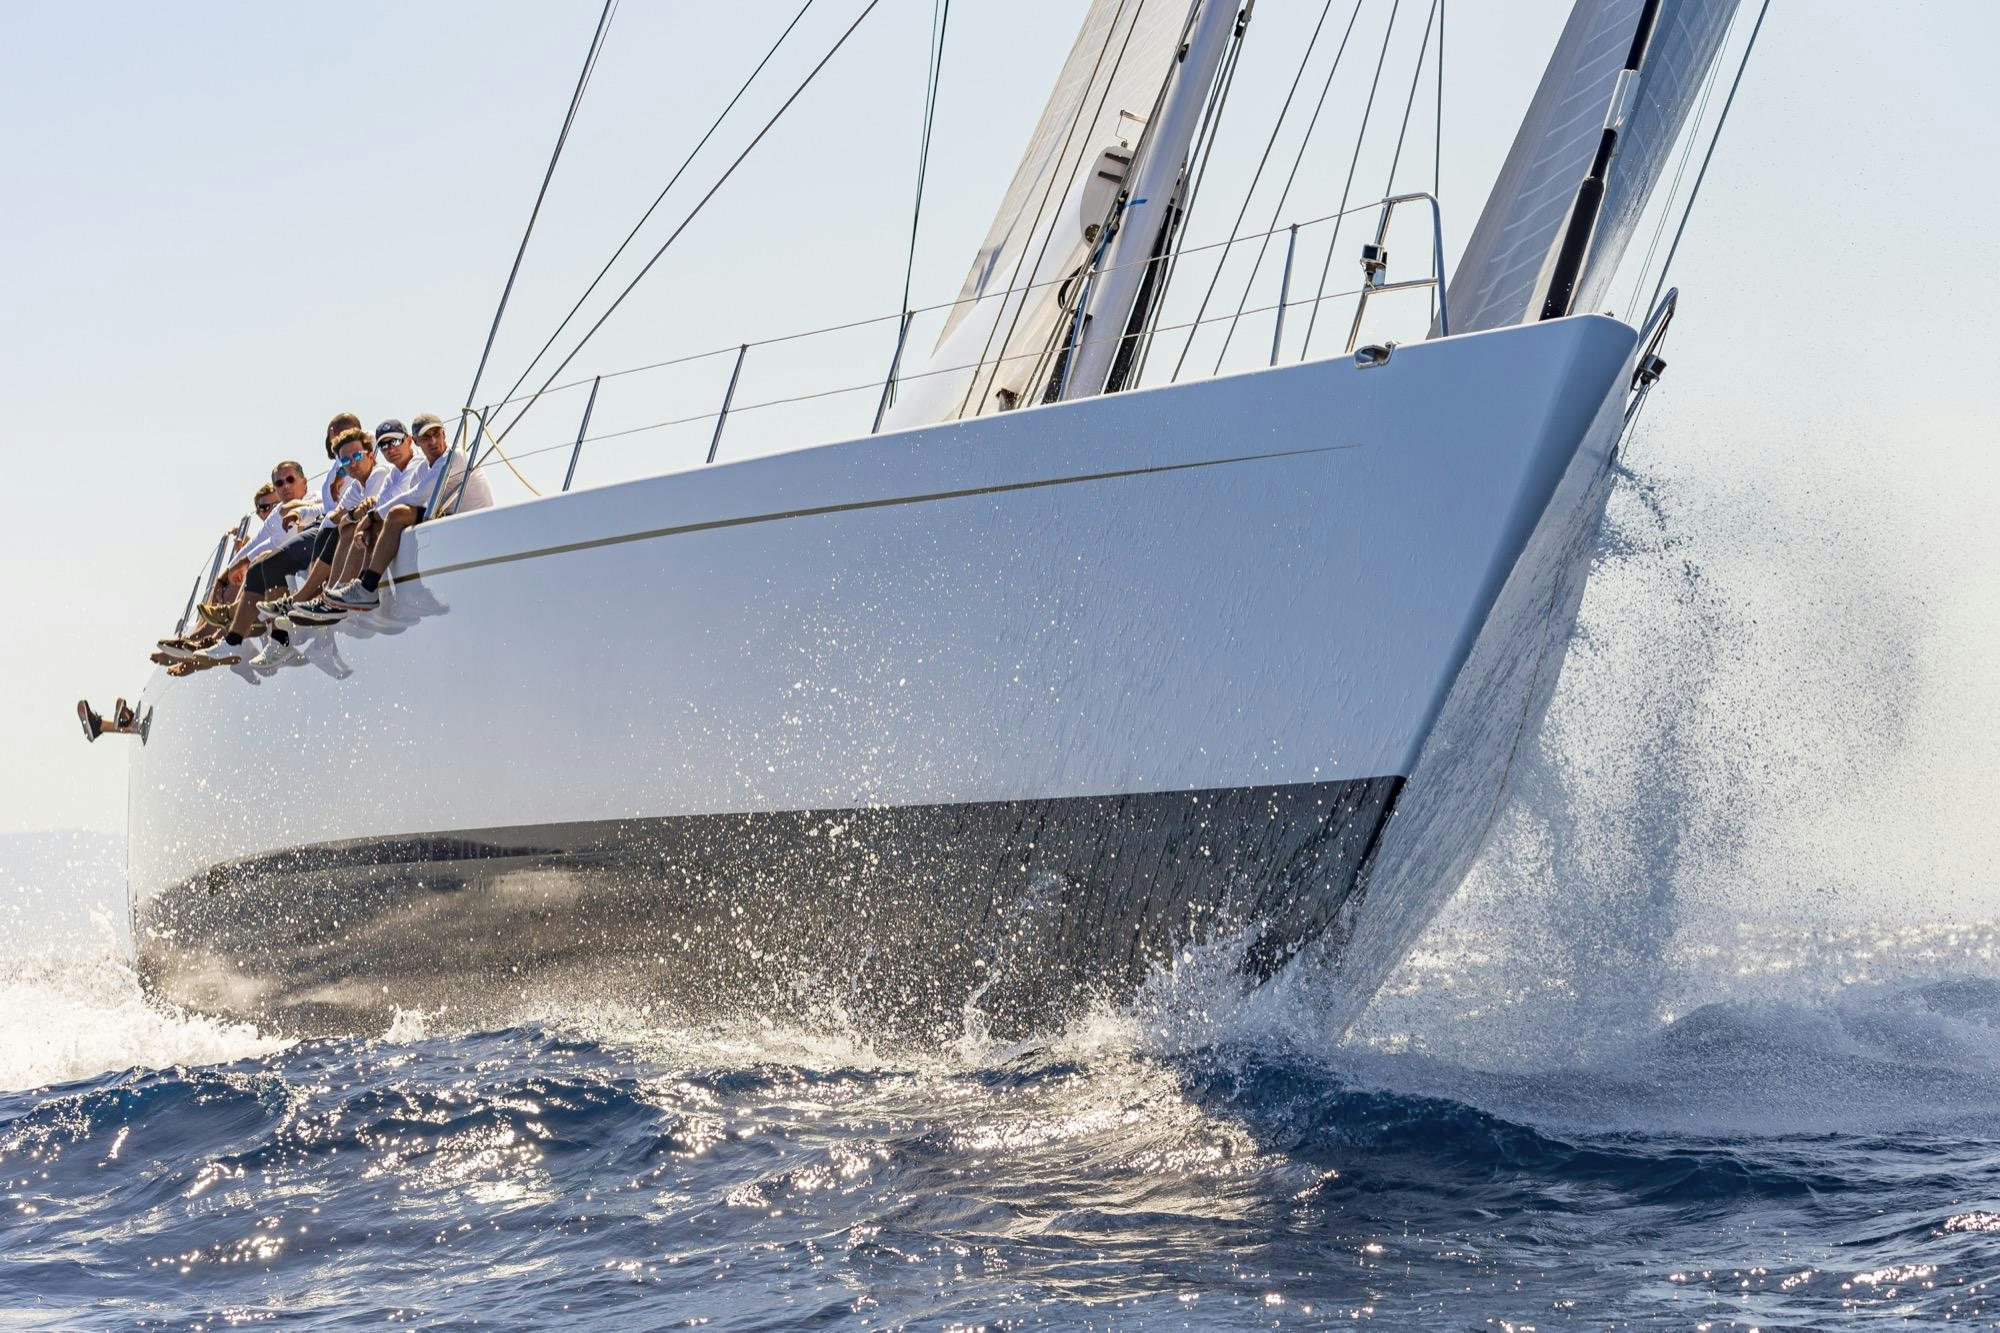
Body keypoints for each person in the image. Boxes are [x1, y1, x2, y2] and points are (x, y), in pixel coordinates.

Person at [323, 413, 490, 613]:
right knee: (384, 518)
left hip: (476, 525)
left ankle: (369, 588)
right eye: (426, 438)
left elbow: (417, 495)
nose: (433, 441)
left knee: (396, 514)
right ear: (417, 441)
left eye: (436, 433)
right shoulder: (421, 469)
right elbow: (392, 502)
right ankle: (363, 589)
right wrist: (370, 521)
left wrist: (370, 516)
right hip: (446, 519)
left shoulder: (454, 456)